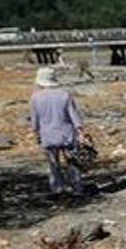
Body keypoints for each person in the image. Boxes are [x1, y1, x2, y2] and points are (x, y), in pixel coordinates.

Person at [29, 67, 86, 198]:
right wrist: (80, 131)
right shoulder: (64, 95)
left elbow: (35, 120)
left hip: (48, 135)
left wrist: (36, 134)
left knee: (53, 164)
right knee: (72, 163)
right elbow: (74, 116)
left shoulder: (35, 98)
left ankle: (57, 189)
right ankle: (77, 188)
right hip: (66, 134)